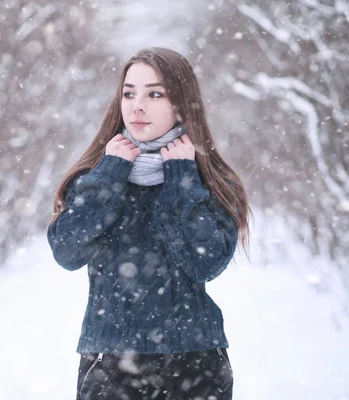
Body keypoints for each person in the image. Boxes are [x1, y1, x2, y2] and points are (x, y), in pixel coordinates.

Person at [46, 48, 250, 400]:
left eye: (155, 93)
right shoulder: (99, 175)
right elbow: (67, 251)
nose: (137, 105)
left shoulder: (209, 180)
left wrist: (181, 178)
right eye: (129, 92)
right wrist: (111, 174)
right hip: (110, 363)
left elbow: (205, 263)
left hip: (195, 361)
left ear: (182, 103)